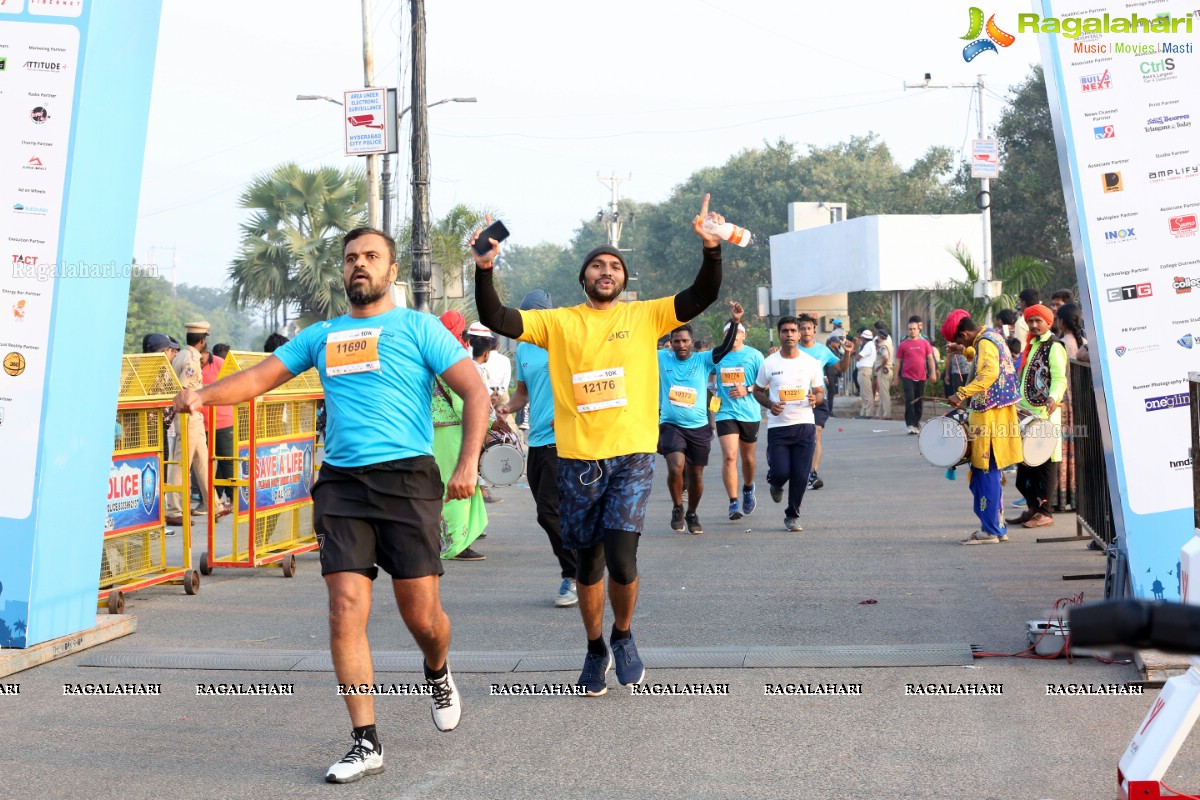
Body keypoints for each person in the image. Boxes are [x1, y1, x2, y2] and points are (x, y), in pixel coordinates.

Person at [172, 227, 488, 784]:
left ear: (391, 271)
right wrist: (201, 395)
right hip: (341, 483)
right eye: (350, 259)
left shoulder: (419, 329)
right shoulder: (322, 336)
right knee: (345, 607)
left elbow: (476, 391)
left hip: (407, 478)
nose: (359, 266)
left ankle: (436, 669)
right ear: (342, 272)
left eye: (371, 258)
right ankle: (365, 740)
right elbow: (258, 379)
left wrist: (467, 464)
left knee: (423, 617)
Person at [473, 195, 724, 696]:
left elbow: (701, 295)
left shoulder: (649, 316)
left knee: (624, 561)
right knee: (588, 564)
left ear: (624, 279)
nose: (606, 271)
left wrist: (712, 249)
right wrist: (484, 268)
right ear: (583, 277)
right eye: (596, 265)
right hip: (577, 461)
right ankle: (594, 649)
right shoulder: (559, 322)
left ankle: (624, 635)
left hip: (631, 456)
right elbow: (498, 316)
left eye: (614, 266)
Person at [496, 289, 581, 608]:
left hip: (565, 440)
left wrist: (570, 412)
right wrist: (506, 409)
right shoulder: (524, 349)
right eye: (525, 316)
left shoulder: (567, 343)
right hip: (538, 442)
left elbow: (586, 383)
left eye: (534, 315)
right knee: (551, 511)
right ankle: (582, 563)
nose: (529, 321)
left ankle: (573, 575)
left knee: (549, 509)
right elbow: (523, 393)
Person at [942, 309, 1023, 544]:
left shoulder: (985, 342)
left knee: (984, 471)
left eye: (959, 339)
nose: (960, 343)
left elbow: (988, 372)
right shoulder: (992, 335)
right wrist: (964, 350)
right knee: (991, 472)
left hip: (988, 416)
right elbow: (983, 355)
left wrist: (962, 393)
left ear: (965, 333)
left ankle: (990, 531)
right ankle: (997, 526)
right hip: (999, 413)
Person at [658, 309, 740, 534]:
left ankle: (692, 512)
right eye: (676, 341)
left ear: (692, 342)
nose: (681, 345)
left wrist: (734, 323)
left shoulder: (704, 359)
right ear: (670, 343)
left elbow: (724, 348)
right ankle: (677, 507)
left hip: (698, 426)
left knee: (695, 475)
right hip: (671, 424)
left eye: (685, 341)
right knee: (676, 467)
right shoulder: (661, 357)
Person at [752, 316, 826, 532]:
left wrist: (815, 399)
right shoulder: (770, 363)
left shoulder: (811, 363)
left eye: (793, 331)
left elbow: (820, 393)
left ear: (800, 334)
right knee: (781, 471)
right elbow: (757, 390)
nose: (790, 335)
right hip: (778, 427)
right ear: (780, 334)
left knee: (801, 475)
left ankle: (792, 515)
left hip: (804, 425)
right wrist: (769, 404)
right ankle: (775, 482)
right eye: (785, 331)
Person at [431, 310, 488, 562]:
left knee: (438, 485)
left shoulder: (428, 353)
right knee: (458, 484)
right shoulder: (452, 356)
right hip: (454, 431)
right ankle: (454, 544)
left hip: (430, 431)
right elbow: (464, 400)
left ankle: (437, 538)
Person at [1009, 304, 1067, 529]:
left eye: (1038, 321)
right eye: (1030, 321)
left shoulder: (1054, 346)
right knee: (1025, 468)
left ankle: (1045, 512)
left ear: (1048, 323)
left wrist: (1053, 398)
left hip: (1045, 413)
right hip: (1026, 414)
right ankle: (1033, 509)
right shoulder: (1031, 345)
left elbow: (1059, 378)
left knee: (1044, 463)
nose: (1033, 325)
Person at [712, 315, 765, 521]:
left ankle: (748, 487)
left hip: (750, 413)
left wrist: (748, 389)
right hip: (725, 413)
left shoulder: (755, 356)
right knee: (730, 456)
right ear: (724, 335)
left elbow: (765, 383)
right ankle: (733, 502)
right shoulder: (717, 355)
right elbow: (706, 376)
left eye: (737, 332)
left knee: (748, 459)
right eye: (728, 333)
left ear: (744, 335)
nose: (733, 336)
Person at [796, 314, 854, 490]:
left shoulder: (823, 351)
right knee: (798, 438)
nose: (805, 331)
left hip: (819, 398)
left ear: (814, 331)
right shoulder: (792, 350)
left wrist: (848, 353)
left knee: (816, 433)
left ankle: (812, 474)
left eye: (808, 328)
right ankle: (796, 468)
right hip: (796, 400)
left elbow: (841, 368)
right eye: (802, 328)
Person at [164, 322, 211, 526]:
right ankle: (174, 509)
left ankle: (214, 504)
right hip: (188, 415)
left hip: (193, 416)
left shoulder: (182, 354)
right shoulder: (191, 359)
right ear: (202, 340)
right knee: (182, 463)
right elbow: (185, 388)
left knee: (202, 460)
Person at [1052, 303, 1089, 513]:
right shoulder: (1084, 343)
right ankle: (1078, 498)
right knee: (1078, 450)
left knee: (1062, 451)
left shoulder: (1060, 344)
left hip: (1064, 402)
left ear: (1061, 321)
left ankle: (1061, 496)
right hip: (1082, 402)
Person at [199, 347, 233, 515]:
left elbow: (232, 387)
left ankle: (234, 499)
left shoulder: (220, 364)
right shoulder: (191, 365)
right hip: (200, 423)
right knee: (202, 464)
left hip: (223, 421)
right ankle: (208, 501)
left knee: (227, 462)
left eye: (201, 357)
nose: (200, 360)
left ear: (206, 351)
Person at [896, 321, 937, 434]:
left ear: (919, 330)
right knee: (910, 399)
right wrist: (895, 378)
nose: (912, 331)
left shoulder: (925, 343)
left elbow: (930, 359)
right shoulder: (903, 344)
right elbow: (898, 362)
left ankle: (916, 422)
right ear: (907, 330)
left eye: (914, 329)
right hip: (907, 376)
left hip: (921, 376)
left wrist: (933, 373)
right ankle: (909, 424)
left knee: (919, 401)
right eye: (910, 329)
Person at [872, 324, 894, 420]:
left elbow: (885, 357)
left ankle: (887, 414)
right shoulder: (889, 344)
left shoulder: (883, 346)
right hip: (889, 370)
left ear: (880, 336)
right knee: (882, 392)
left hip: (883, 370)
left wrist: (880, 366)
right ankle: (879, 414)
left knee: (884, 393)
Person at [854, 330, 876, 418]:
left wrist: (857, 347)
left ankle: (868, 413)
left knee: (867, 393)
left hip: (864, 370)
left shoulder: (868, 346)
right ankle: (864, 413)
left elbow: (858, 357)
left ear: (863, 338)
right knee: (863, 393)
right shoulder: (869, 345)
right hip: (863, 370)